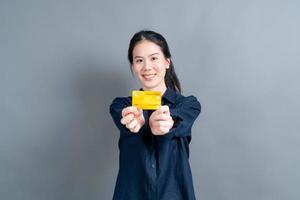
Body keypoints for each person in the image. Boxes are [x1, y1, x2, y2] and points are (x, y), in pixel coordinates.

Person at [109, 30, 201, 200]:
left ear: (167, 62)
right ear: (133, 67)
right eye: (139, 60)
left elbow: (179, 118)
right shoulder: (122, 105)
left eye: (153, 58)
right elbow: (121, 115)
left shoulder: (188, 105)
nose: (147, 67)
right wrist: (129, 119)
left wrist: (166, 121)